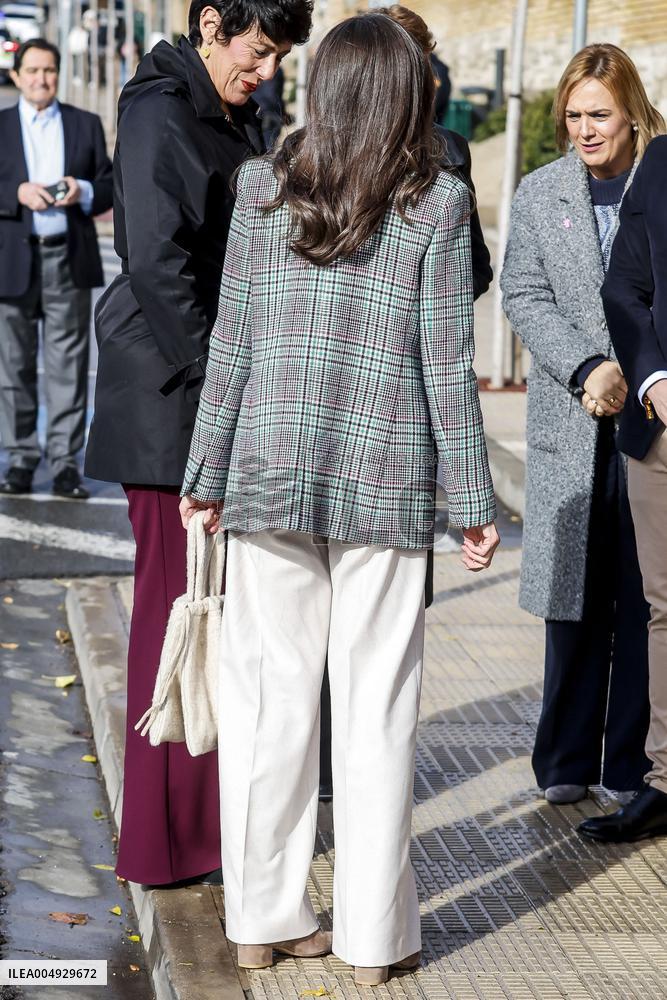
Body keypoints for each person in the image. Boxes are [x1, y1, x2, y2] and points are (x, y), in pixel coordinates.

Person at [180, 12, 499, 985]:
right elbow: (445, 363)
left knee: (269, 705)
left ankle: (258, 920)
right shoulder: (436, 201)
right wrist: (472, 497)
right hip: (387, 478)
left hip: (268, 470)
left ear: (318, 88)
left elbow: (231, 343)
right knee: (376, 712)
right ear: (404, 94)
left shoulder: (261, 187)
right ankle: (371, 940)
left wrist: (204, 474)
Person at [84, 0, 313, 887]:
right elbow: (154, 261)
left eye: (277, 57)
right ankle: (163, 842)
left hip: (204, 386)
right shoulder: (160, 110)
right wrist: (225, 379)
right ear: (211, 24)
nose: (266, 71)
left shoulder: (225, 108)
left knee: (213, 610)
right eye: (258, 51)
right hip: (173, 395)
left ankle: (206, 828)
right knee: (174, 612)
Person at [501, 44, 664, 806]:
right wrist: (584, 366)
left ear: (630, 111)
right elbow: (523, 293)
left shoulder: (655, 182)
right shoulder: (540, 192)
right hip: (572, 415)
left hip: (649, 415)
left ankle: (631, 766)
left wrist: (638, 370)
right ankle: (564, 759)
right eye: (572, 116)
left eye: (598, 114)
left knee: (641, 592)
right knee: (571, 595)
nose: (584, 130)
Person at [578, 134, 667, 842]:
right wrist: (654, 381)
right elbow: (624, 287)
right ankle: (664, 782)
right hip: (660, 429)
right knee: (663, 609)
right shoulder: (661, 164)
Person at [0, 38, 112, 500]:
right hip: (13, 260)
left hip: (67, 254)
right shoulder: (2, 125)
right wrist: (16, 194)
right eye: (32, 70)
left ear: (58, 73)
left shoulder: (85, 123)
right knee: (14, 365)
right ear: (16, 75)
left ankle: (65, 463)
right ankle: (20, 458)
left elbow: (109, 186)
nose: (41, 79)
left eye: (48, 70)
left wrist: (82, 190)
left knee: (69, 364)